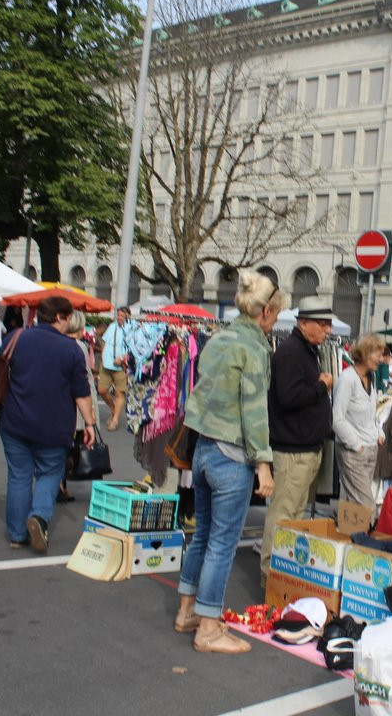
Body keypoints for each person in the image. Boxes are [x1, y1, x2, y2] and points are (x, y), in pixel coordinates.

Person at [173, 271, 285, 653]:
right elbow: (254, 411)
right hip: (232, 454)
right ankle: (208, 628)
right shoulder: (254, 349)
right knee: (222, 542)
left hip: (203, 448)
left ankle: (187, 611)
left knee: (203, 536)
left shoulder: (219, 338)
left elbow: (199, 392)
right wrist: (264, 465)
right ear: (267, 312)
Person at [0, 296, 96, 553]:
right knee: (50, 473)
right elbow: (81, 392)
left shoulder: (16, 337)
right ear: (60, 318)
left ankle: (17, 534)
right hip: (53, 425)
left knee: (19, 476)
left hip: (15, 419)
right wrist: (90, 424)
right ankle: (39, 517)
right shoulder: (71, 349)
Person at [259, 296, 336, 583]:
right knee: (283, 517)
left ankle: (284, 576)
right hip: (292, 452)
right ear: (304, 324)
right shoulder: (291, 352)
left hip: (305, 449)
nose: (327, 330)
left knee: (294, 518)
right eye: (323, 324)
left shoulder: (306, 350)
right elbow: (289, 397)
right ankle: (271, 579)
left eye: (328, 324)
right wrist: (321, 386)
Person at [333, 334, 386, 512]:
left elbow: (372, 413)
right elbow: (336, 418)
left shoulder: (372, 378)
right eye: (377, 354)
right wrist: (356, 444)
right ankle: (363, 538)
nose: (381, 359)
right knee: (365, 506)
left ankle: (350, 537)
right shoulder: (347, 379)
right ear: (365, 353)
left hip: (370, 448)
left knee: (352, 505)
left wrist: (379, 432)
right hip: (354, 451)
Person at [59, 310, 97, 502]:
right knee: (69, 447)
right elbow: (85, 381)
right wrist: (90, 415)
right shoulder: (78, 347)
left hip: (59, 402)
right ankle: (61, 484)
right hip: (75, 405)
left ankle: (60, 484)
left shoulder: (57, 343)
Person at [98, 306, 132, 431]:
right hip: (107, 364)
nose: (120, 318)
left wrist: (123, 359)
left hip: (120, 366)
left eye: (122, 316)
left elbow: (134, 349)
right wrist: (103, 354)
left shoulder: (131, 329)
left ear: (128, 316)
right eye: (118, 315)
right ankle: (113, 408)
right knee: (102, 390)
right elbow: (105, 341)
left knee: (119, 393)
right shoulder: (112, 327)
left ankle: (115, 419)